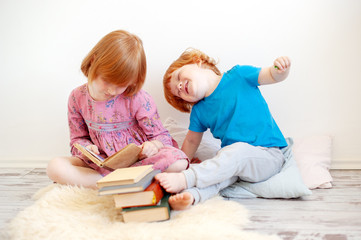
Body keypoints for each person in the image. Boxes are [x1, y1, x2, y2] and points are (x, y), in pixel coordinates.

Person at [47, 30, 189, 189]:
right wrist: (87, 148)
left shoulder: (138, 98)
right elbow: (76, 140)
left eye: (121, 85)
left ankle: (110, 183)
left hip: (139, 163)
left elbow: (161, 136)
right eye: (107, 81)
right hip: (101, 164)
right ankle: (120, 183)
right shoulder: (76, 97)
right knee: (55, 167)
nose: (112, 91)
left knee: (179, 162)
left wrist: (153, 146)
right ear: (94, 62)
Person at [156, 48, 291, 210]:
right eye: (178, 93)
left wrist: (280, 70)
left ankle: (186, 179)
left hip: (267, 156)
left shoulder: (239, 75)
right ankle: (192, 196)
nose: (179, 86)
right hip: (234, 162)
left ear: (196, 61)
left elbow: (270, 75)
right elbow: (191, 141)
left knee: (236, 153)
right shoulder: (199, 111)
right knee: (218, 174)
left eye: (178, 77)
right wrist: (184, 162)